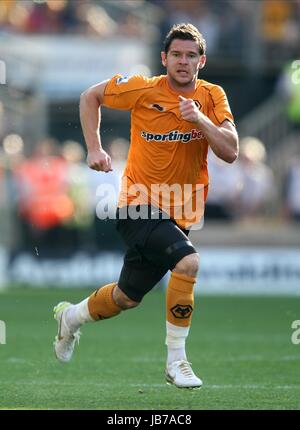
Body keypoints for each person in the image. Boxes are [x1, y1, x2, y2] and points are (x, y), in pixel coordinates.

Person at [53, 23, 238, 389]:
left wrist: (198, 118)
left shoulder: (213, 96)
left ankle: (71, 318)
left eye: (190, 56)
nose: (183, 62)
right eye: (176, 55)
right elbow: (90, 96)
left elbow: (230, 150)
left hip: (181, 211)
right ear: (163, 58)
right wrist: (94, 147)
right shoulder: (141, 87)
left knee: (126, 297)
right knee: (188, 262)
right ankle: (177, 361)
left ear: (201, 61)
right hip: (137, 206)